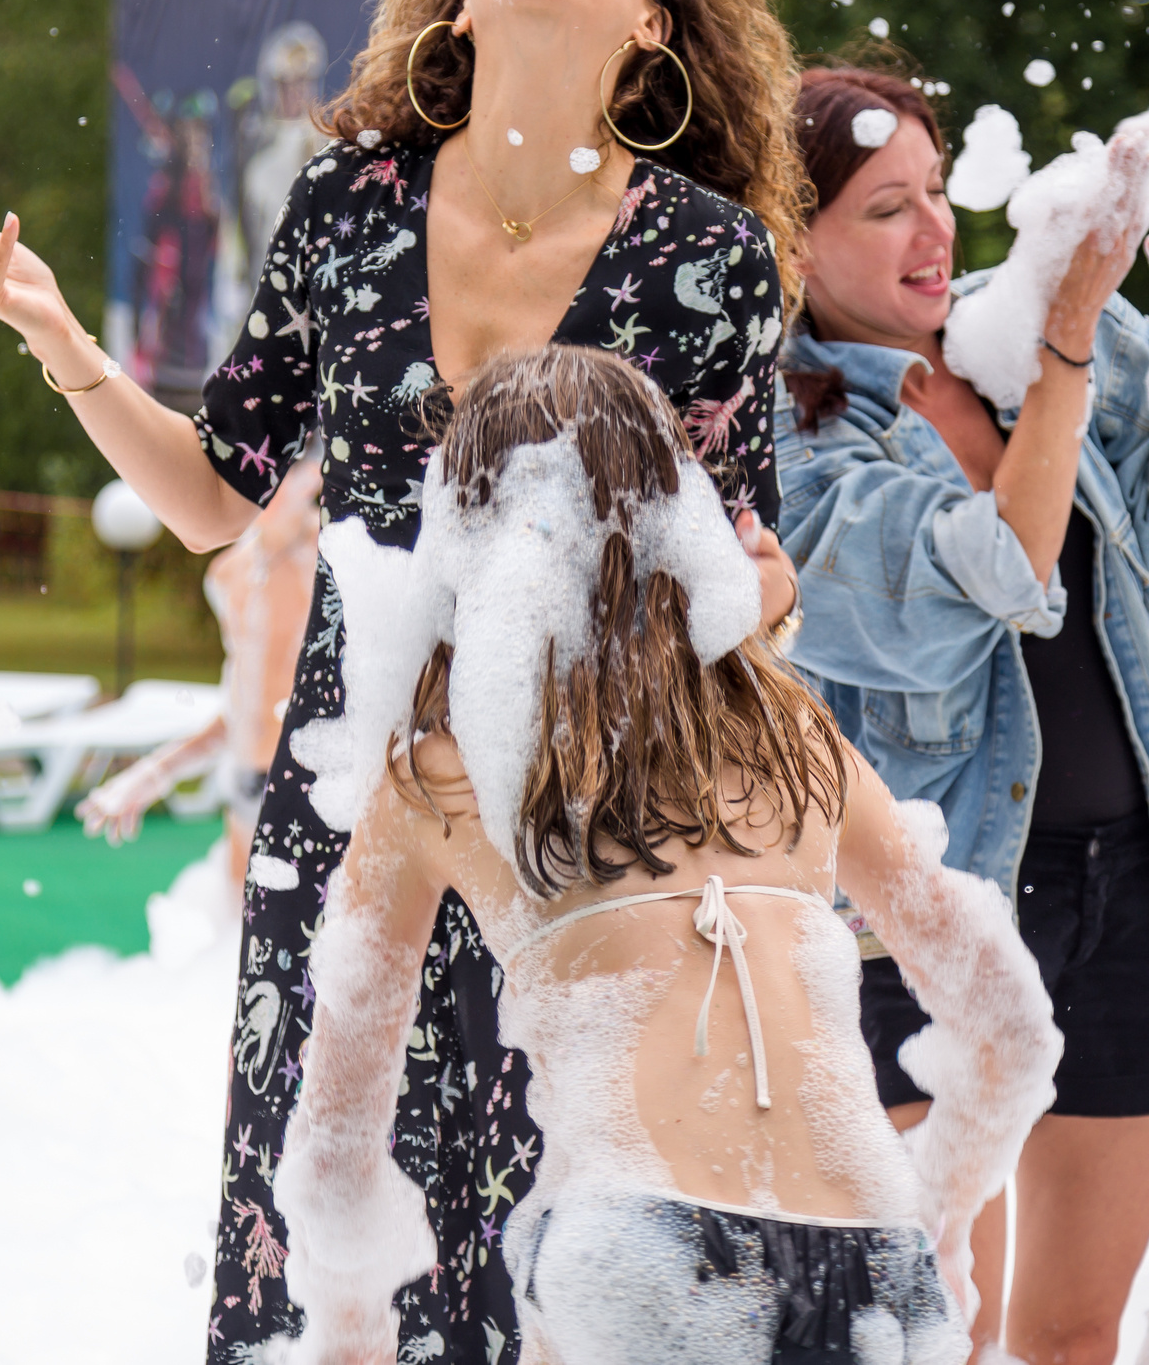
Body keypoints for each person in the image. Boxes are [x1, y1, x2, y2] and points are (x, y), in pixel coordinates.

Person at [0, 0, 807, 1363]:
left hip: (578, 812)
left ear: (653, 24)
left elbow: (745, 564)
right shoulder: (346, 205)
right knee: (317, 1218)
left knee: (538, 1237)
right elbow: (213, 493)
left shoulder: (707, 258)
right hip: (347, 791)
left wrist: (747, 604)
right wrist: (48, 330)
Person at [274, 345, 1060, 1364]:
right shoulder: (795, 737)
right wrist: (937, 1228)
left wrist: (347, 1335)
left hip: (638, 1250)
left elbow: (336, 1148)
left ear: (468, 539)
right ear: (672, 513)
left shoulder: (442, 775)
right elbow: (1010, 1030)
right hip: (878, 1271)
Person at [772, 69, 1149, 1365]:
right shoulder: (791, 431)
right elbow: (998, 574)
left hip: (1138, 883)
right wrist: (1063, 348)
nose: (936, 227)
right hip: (927, 915)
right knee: (928, 1327)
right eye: (888, 206)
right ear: (793, 233)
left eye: (938, 191)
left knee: (1071, 1333)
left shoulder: (1028, 327)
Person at [78, 452, 321, 897]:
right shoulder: (228, 574)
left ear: (310, 478)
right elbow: (244, 711)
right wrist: (155, 773)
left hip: (325, 792)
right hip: (250, 791)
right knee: (237, 943)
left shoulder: (339, 564)